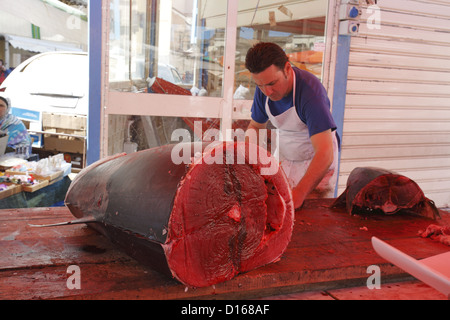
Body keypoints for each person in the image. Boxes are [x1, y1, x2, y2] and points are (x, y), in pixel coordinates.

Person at [245, 42, 339, 210]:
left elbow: (325, 153)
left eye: (272, 83)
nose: (267, 92)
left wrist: (301, 192)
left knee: (310, 218)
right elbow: (255, 126)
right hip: (285, 156)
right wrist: (247, 160)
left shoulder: (310, 94)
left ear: (287, 68)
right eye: (260, 85)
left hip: (315, 161)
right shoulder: (264, 88)